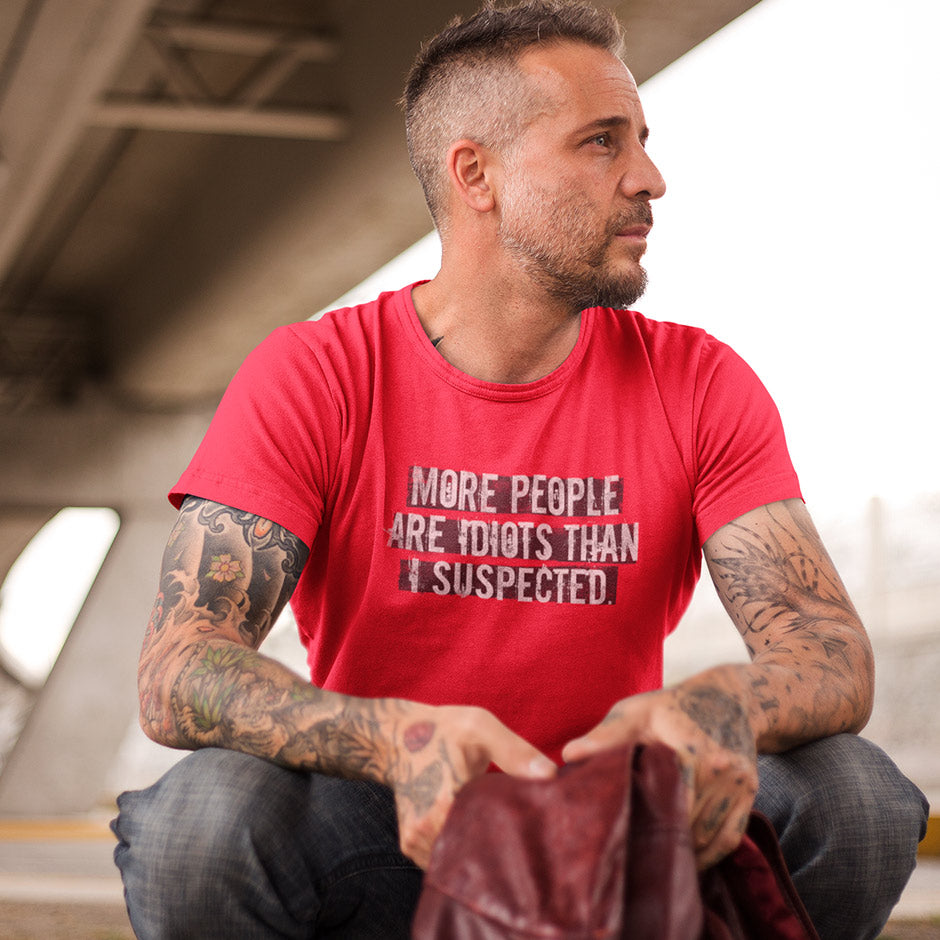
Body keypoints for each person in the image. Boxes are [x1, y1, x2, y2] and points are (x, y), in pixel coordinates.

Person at [112, 2, 928, 938]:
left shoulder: (698, 380)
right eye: (600, 143)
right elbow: (178, 668)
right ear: (477, 175)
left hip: (625, 831)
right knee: (197, 826)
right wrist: (396, 738)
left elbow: (828, 648)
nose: (649, 178)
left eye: (642, 141)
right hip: (393, 817)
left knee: (856, 799)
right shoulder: (317, 372)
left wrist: (719, 704)